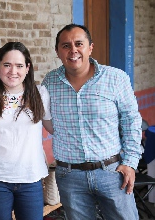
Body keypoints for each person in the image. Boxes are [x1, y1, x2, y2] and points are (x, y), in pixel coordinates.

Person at [42, 24, 142, 220]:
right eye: (66, 46)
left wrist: (130, 162)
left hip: (113, 173)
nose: (73, 50)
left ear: (90, 47)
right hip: (70, 176)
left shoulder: (116, 78)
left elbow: (131, 121)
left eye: (79, 44)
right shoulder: (50, 82)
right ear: (57, 51)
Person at [0, 42, 53, 220]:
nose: (12, 71)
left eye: (19, 66)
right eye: (7, 65)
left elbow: (52, 127)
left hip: (30, 178)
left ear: (27, 68)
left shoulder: (40, 94)